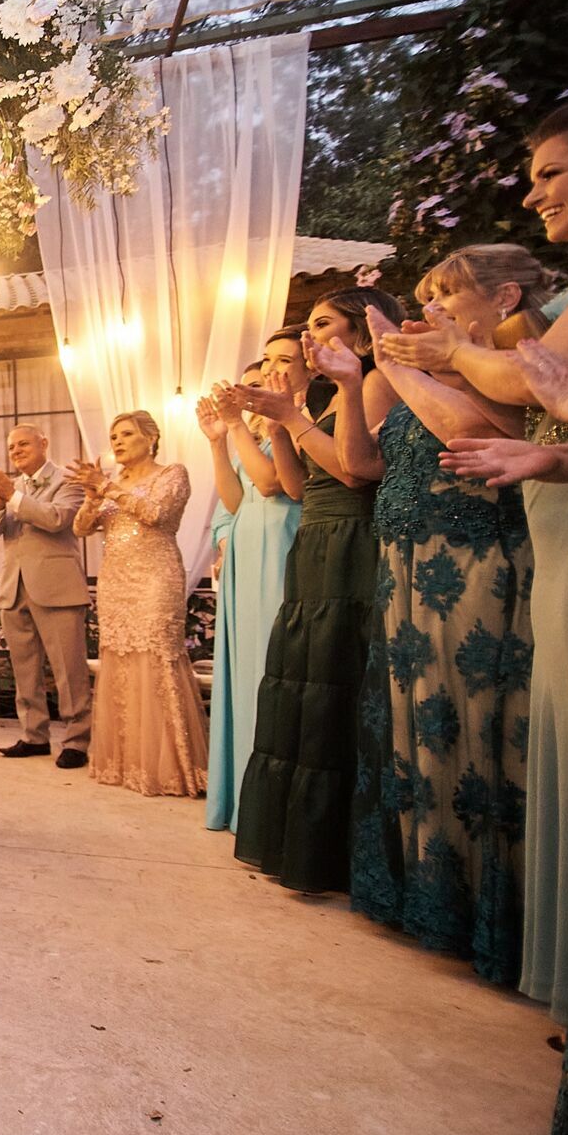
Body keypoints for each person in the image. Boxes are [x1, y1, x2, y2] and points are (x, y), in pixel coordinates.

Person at [380, 98, 568, 1135]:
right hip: (523, 521)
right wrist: (552, 451)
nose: (537, 188)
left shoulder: (556, 316)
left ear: (505, 293)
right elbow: (551, 410)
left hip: (514, 549)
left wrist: (424, 367)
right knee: (519, 745)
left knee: (521, 743)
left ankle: (525, 944)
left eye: (554, 170)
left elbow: (516, 396)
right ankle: (538, 959)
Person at [315, 267, 532, 984]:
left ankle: (482, 910)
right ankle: (422, 892)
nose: (431, 306)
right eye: (428, 294)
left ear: (504, 299)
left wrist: (392, 362)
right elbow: (361, 461)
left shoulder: (508, 362)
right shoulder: (417, 370)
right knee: (417, 730)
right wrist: (352, 386)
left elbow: (467, 430)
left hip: (472, 556)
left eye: (447, 293)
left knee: (472, 729)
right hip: (405, 560)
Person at [231, 288, 404, 893]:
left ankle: (329, 852)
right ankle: (294, 844)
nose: (309, 337)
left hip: (352, 542)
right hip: (316, 537)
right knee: (301, 687)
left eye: (322, 324)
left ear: (362, 334)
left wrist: (295, 417)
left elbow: (356, 470)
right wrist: (283, 419)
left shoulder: (377, 381)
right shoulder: (329, 399)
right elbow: (299, 486)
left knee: (333, 685)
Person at [67, 412, 207, 796]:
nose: (118, 441)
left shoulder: (172, 474)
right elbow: (81, 529)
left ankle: (172, 766)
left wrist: (107, 489)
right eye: (113, 435)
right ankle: (128, 763)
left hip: (156, 577)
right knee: (122, 660)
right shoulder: (113, 483)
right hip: (115, 581)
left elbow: (156, 514)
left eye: (127, 434)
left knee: (158, 657)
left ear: (151, 438)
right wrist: (95, 496)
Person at [198, 331, 305, 831]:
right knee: (244, 674)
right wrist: (220, 442)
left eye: (255, 384)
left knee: (270, 670)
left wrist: (237, 424)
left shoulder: (289, 431)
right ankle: (243, 797)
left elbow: (269, 484)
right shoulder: (250, 438)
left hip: (283, 545)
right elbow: (235, 501)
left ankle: (268, 807)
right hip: (247, 550)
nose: (244, 395)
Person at [0, 423, 93, 769]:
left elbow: (57, 518)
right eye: (11, 447)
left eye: (23, 443)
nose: (16, 451)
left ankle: (77, 740)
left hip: (57, 588)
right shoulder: (14, 488)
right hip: (15, 587)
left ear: (44, 442)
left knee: (68, 671)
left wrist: (12, 496)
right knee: (24, 670)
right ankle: (34, 736)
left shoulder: (68, 480)